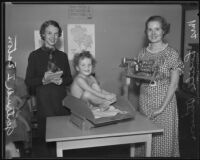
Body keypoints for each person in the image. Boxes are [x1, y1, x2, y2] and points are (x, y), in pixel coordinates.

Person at [135, 16, 184, 157]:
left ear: (164, 31)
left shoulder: (171, 54)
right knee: (144, 144)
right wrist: (134, 74)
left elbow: (174, 85)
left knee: (163, 145)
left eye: (157, 29)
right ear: (146, 32)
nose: (153, 33)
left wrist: (161, 108)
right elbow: (139, 81)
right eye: (150, 29)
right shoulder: (142, 53)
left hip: (165, 106)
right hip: (144, 104)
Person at [25, 20, 73, 139]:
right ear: (43, 34)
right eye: (49, 33)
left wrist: (62, 80)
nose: (53, 37)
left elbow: (69, 78)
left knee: (63, 136)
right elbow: (28, 81)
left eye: (56, 33)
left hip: (61, 103)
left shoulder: (63, 56)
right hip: (44, 103)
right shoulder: (34, 56)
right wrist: (43, 79)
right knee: (48, 139)